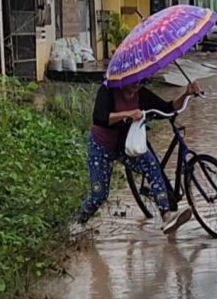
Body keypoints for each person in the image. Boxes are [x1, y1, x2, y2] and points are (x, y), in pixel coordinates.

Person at [76, 79, 201, 234]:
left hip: (126, 146)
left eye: (141, 81)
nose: (138, 84)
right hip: (101, 146)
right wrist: (127, 114)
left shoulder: (141, 94)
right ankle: (78, 222)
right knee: (99, 195)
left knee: (152, 167)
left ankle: (167, 218)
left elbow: (166, 108)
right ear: (124, 79)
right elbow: (100, 117)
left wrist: (186, 94)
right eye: (134, 81)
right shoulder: (107, 90)